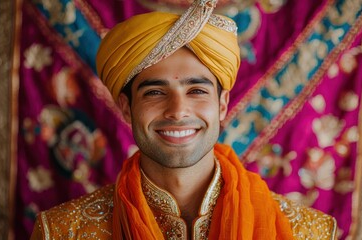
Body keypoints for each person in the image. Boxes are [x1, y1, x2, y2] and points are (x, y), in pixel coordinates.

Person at [31, 1, 337, 239]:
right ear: (126, 107)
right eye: (154, 92)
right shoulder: (62, 232)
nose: (178, 111)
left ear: (221, 105)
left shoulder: (308, 233)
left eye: (196, 90)